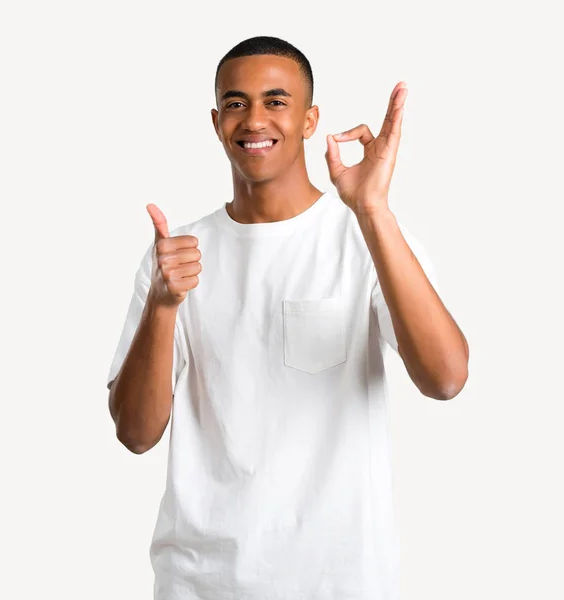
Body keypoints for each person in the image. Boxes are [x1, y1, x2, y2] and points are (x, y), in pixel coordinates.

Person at [106, 35, 469, 600]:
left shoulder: (366, 237)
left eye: (276, 101)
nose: (254, 119)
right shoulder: (176, 258)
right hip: (200, 585)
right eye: (235, 102)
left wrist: (373, 211)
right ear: (215, 120)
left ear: (308, 119)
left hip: (340, 584)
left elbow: (446, 378)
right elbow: (135, 433)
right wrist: (162, 306)